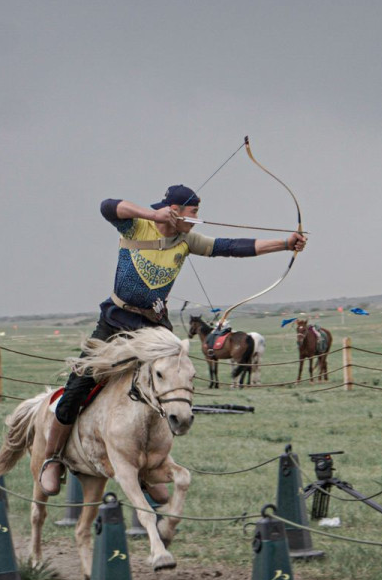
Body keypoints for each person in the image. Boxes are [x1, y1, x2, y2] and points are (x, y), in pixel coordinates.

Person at [38, 184, 307, 496]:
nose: (196, 219)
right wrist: (153, 213)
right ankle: (52, 459)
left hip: (155, 328)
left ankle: (149, 466)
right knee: (78, 386)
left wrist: (285, 243)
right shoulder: (136, 225)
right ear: (175, 211)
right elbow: (107, 205)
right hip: (116, 321)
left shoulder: (187, 240)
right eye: (193, 213)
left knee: (167, 390)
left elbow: (230, 245)